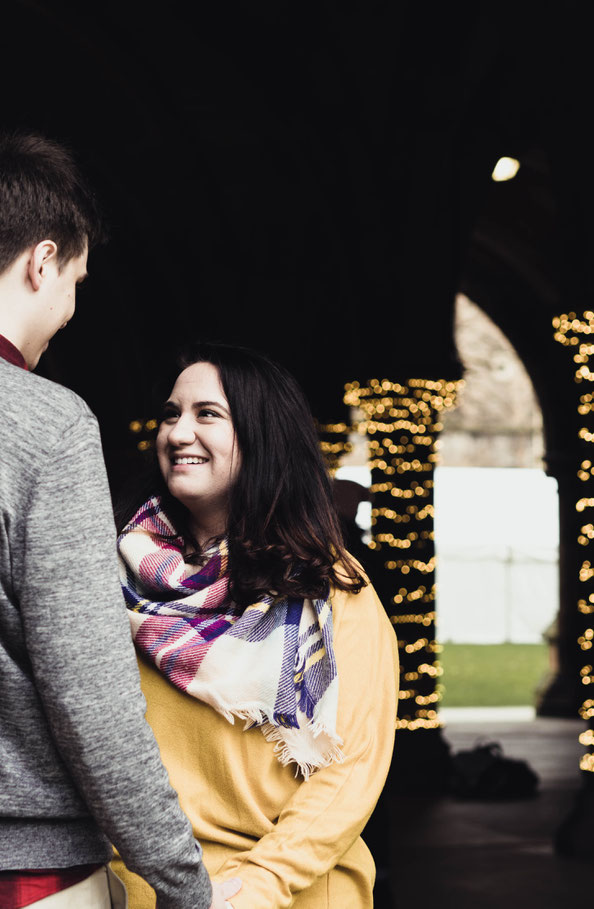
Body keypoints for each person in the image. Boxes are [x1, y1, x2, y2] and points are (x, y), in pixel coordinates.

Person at [0, 132, 239, 909]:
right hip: (28, 874)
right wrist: (182, 883)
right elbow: (90, 698)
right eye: (76, 283)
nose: (67, 312)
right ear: (41, 260)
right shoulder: (48, 423)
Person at [113, 344, 399, 908]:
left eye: (207, 414)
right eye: (172, 413)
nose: (178, 432)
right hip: (142, 892)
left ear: (262, 436)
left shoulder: (329, 587)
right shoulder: (118, 571)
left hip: (288, 891)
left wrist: (260, 885)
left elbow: (352, 766)